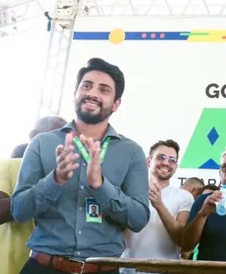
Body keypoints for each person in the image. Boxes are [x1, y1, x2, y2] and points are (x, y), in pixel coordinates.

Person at [12, 58, 151, 274]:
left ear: (116, 104)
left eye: (104, 90)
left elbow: (139, 219)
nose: (93, 93)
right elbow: (19, 211)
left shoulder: (131, 152)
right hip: (44, 267)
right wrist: (55, 180)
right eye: (86, 86)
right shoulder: (42, 143)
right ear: (75, 94)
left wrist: (101, 185)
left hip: (103, 269)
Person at [0, 116, 67, 274]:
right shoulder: (6, 167)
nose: (60, 145)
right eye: (54, 136)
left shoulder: (69, 178)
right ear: (34, 136)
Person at [121, 140, 194, 272]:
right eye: (160, 157)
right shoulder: (128, 191)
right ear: (149, 161)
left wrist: (159, 205)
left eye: (172, 160)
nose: (166, 163)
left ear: (176, 166)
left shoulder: (184, 197)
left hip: (166, 270)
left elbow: (181, 240)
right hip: (128, 269)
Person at [182, 148, 226, 261]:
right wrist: (202, 214)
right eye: (225, 167)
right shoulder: (204, 200)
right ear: (219, 173)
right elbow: (187, 246)